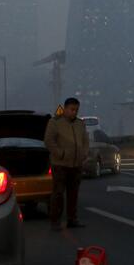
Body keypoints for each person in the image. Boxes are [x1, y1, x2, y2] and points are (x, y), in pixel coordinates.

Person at [44, 96, 89, 231]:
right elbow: (49, 140)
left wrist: (84, 154)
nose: (74, 112)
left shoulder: (80, 124)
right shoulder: (55, 122)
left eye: (76, 110)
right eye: (72, 109)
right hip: (60, 164)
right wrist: (60, 153)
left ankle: (72, 219)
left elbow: (85, 141)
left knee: (73, 193)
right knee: (58, 194)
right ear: (65, 109)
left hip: (76, 164)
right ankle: (55, 221)